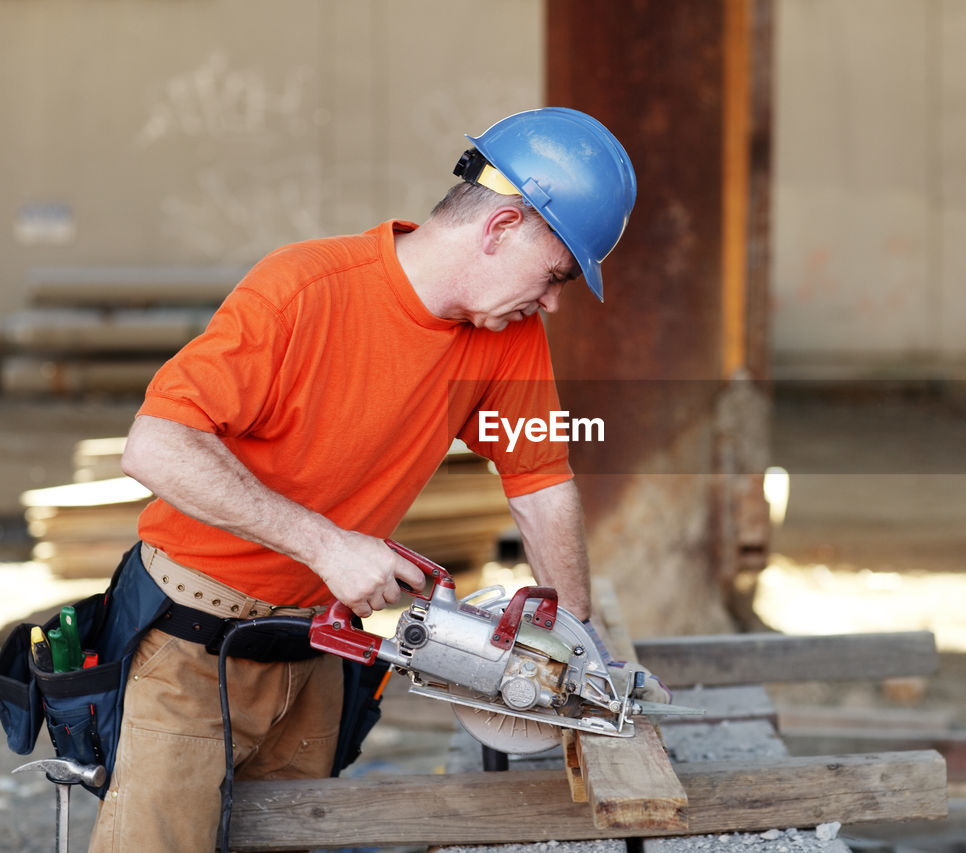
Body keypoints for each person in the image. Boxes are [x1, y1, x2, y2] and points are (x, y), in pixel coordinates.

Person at [87, 106, 637, 852]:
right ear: (503, 228)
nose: (553, 300)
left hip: (316, 653)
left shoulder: (505, 338)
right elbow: (155, 444)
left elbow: (538, 483)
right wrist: (328, 545)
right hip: (185, 653)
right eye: (557, 273)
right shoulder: (305, 289)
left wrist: (573, 650)